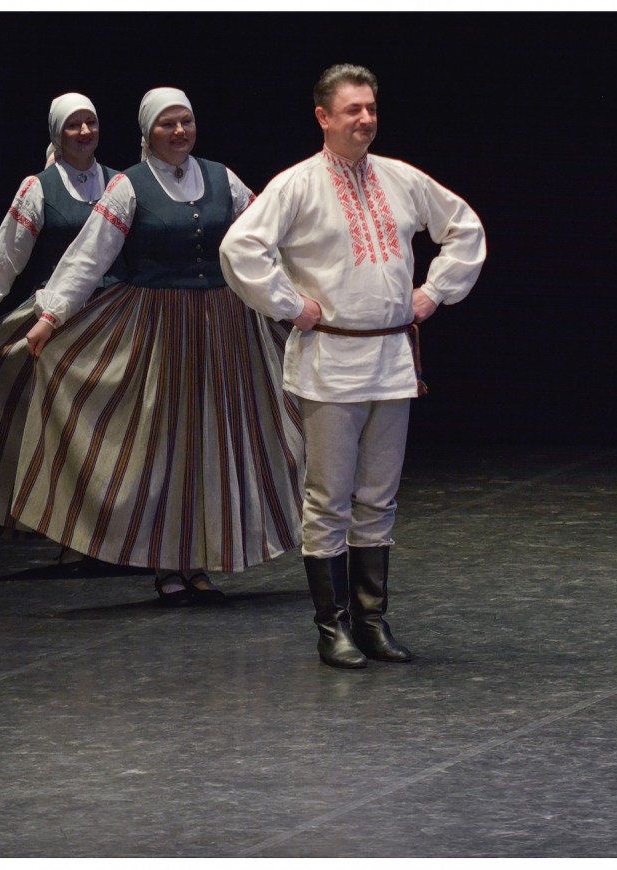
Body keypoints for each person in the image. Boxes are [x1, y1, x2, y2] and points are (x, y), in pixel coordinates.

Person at [220, 64, 487, 669]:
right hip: (331, 362)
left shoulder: (400, 177)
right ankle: (332, 626)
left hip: (390, 359)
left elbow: (464, 228)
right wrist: (290, 305)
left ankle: (371, 620)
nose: (365, 119)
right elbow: (240, 248)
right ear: (323, 117)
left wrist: (434, 292)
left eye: (371, 108)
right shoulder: (297, 184)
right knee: (329, 497)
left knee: (379, 498)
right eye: (352, 110)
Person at [17, 86, 303, 606]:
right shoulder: (128, 186)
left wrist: (295, 296)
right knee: (167, 447)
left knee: (216, 442)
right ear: (148, 132)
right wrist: (50, 317)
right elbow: (88, 256)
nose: (179, 132)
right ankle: (168, 564)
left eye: (185, 121)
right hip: (161, 330)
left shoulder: (223, 178)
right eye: (167, 124)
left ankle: (202, 560)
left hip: (225, 327)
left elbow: (266, 238)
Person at [0, 94, 124, 545]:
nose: (85, 132)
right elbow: (7, 250)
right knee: (67, 428)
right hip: (60, 322)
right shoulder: (40, 188)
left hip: (114, 317)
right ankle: (67, 531)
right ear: (56, 133)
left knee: (112, 428)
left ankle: (111, 532)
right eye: (74, 125)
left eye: (90, 122)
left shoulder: (120, 184)